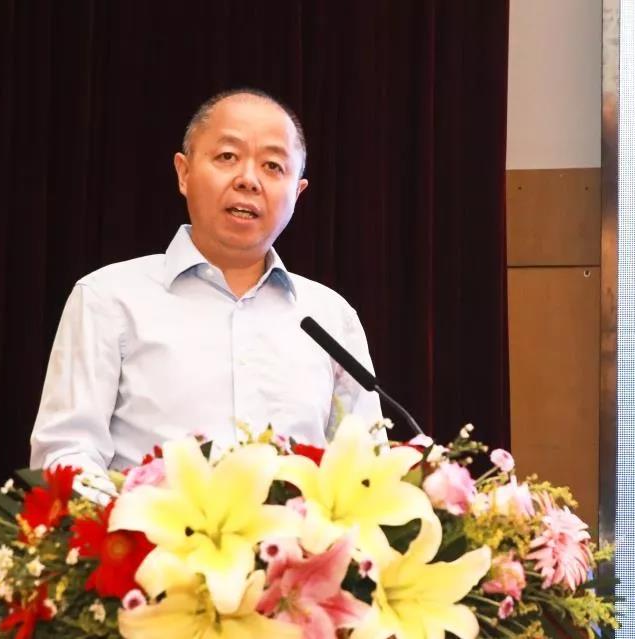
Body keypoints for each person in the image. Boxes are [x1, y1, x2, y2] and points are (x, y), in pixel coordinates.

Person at [29, 88, 383, 480]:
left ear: (297, 193)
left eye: (273, 166)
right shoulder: (108, 298)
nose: (248, 180)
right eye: (227, 156)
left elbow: (367, 470)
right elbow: (65, 455)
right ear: (184, 173)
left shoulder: (331, 317)